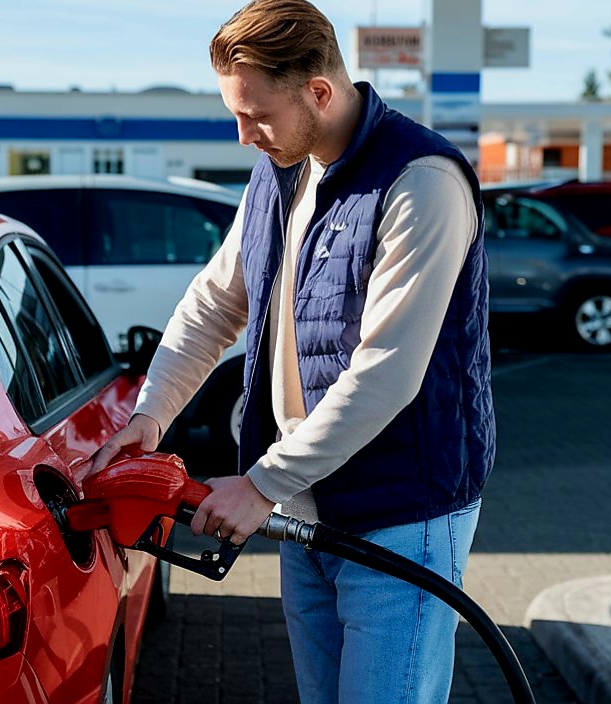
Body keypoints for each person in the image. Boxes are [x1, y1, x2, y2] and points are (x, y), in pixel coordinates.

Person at [88, 1, 495, 700]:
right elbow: (215, 304)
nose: (244, 136)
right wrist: (150, 416)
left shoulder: (421, 182)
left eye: (257, 116)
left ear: (319, 91)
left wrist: (258, 484)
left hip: (401, 513)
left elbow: (388, 373)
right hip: (305, 509)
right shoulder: (283, 169)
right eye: (236, 116)